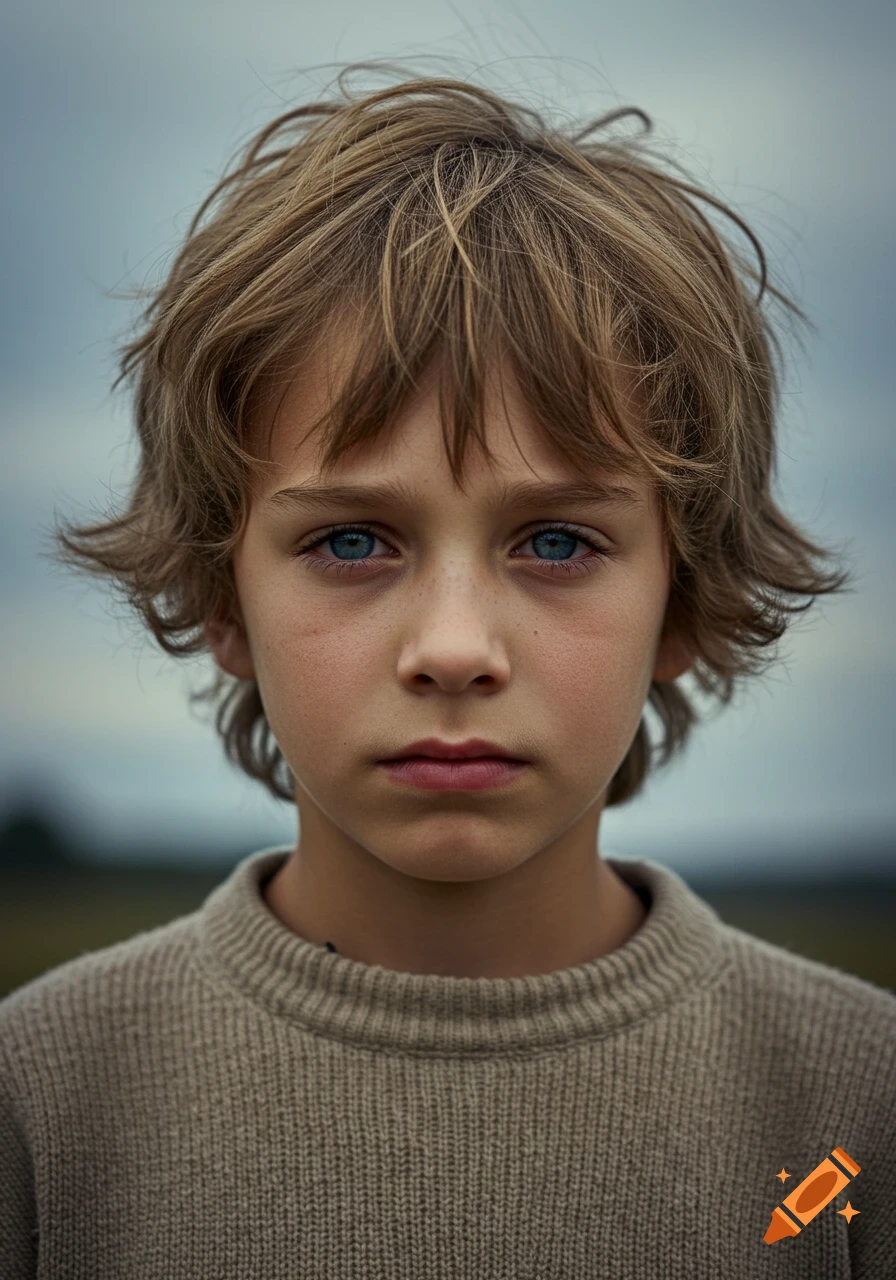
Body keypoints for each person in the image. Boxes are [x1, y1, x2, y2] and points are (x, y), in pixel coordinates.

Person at [2, 63, 893, 1279]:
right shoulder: (44, 1106)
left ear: (681, 596)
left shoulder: (852, 1117)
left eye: (558, 542)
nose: (455, 649)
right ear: (222, 595)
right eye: (352, 541)